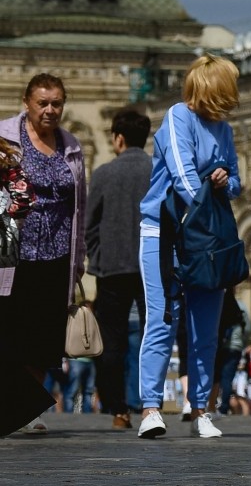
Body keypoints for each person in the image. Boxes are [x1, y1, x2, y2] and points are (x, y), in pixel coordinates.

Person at [136, 55, 241, 440]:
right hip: (165, 233)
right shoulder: (178, 116)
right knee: (164, 319)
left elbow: (236, 182)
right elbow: (180, 171)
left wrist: (224, 178)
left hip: (207, 241)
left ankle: (201, 409)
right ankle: (150, 406)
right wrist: (204, 186)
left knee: (205, 329)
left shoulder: (224, 129)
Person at [0, 74, 88, 436]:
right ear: (27, 102)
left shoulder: (71, 145)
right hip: (14, 254)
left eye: (57, 103)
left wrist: (78, 256)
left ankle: (27, 409)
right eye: (43, 102)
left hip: (56, 254)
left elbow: (79, 204)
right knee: (9, 331)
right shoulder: (6, 138)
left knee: (42, 338)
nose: (50, 109)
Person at [85, 107, 152, 430]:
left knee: (112, 340)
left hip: (111, 268)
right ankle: (150, 404)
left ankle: (118, 411)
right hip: (150, 265)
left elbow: (90, 225)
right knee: (153, 335)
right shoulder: (157, 170)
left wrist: (97, 256)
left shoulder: (103, 174)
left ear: (118, 139)